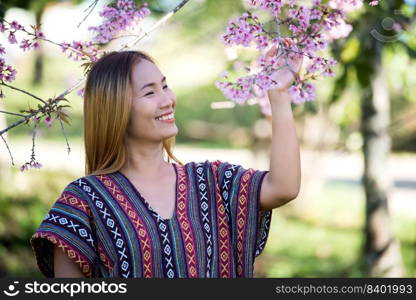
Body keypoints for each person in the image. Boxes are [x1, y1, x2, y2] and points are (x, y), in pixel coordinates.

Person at [30, 47, 301, 278]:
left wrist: (278, 95)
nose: (167, 100)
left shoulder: (211, 180)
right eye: (149, 93)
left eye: (165, 86)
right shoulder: (83, 202)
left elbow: (283, 187)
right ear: (115, 109)